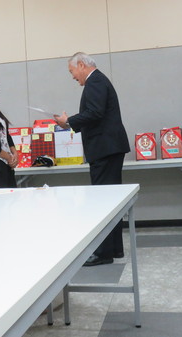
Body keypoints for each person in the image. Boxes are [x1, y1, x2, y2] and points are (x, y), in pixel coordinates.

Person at [54, 52, 130, 266]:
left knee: (103, 201)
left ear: (81, 65)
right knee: (112, 200)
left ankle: (104, 252)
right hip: (109, 148)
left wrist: (68, 121)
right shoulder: (99, 80)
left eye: (72, 71)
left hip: (104, 149)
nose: (72, 76)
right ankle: (114, 248)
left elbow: (95, 113)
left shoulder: (94, 81)